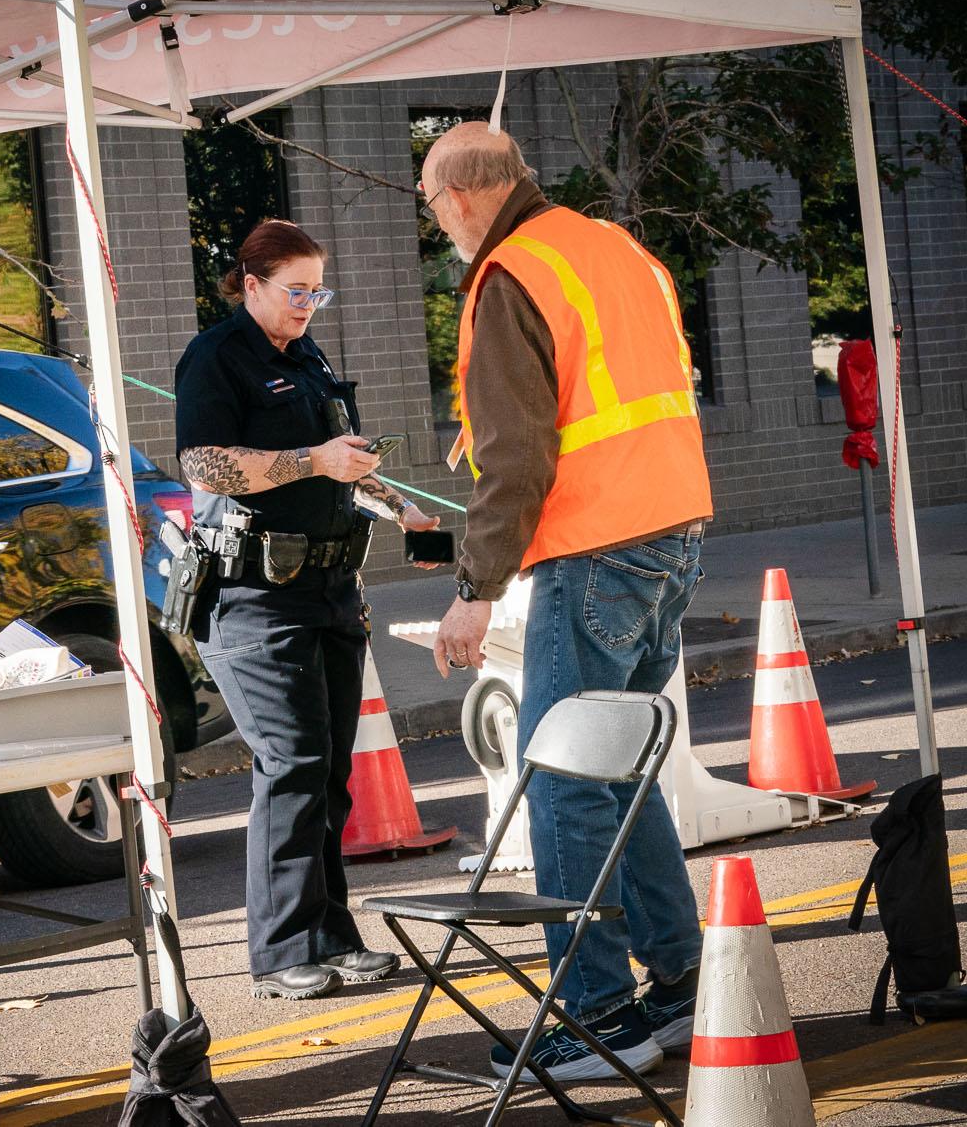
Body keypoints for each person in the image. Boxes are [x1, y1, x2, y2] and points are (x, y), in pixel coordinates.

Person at [422, 123, 714, 1079]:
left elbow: (519, 460)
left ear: (461, 197)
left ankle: (597, 1018)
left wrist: (474, 591)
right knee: (615, 771)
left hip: (595, 547)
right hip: (672, 530)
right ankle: (679, 982)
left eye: (431, 205)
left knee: (564, 783)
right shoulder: (612, 245)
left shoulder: (507, 274)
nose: (438, 225)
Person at [173, 219, 439, 1000]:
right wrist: (311, 460)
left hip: (327, 590)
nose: (308, 305)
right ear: (250, 284)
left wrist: (400, 509)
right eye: (296, 291)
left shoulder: (308, 358)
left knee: (326, 772)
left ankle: (328, 932)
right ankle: (281, 947)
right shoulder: (217, 357)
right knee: (289, 764)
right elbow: (205, 463)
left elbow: (339, 458)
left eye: (317, 291)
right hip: (255, 599)